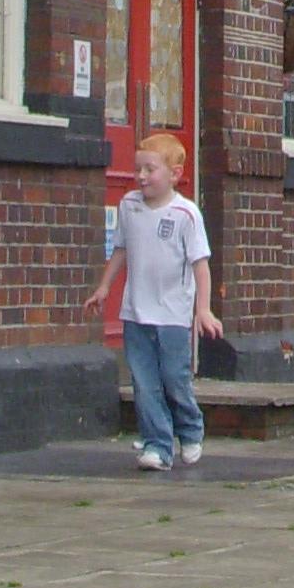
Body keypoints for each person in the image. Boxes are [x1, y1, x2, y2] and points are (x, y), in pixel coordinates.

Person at [84, 129, 214, 472]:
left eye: (150, 169)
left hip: (173, 315)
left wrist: (202, 309)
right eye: (138, 169)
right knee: (144, 383)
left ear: (174, 174)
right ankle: (158, 445)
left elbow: (200, 266)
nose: (141, 176)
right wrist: (104, 288)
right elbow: (121, 250)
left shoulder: (186, 214)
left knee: (174, 378)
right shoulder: (129, 206)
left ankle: (190, 429)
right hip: (136, 312)